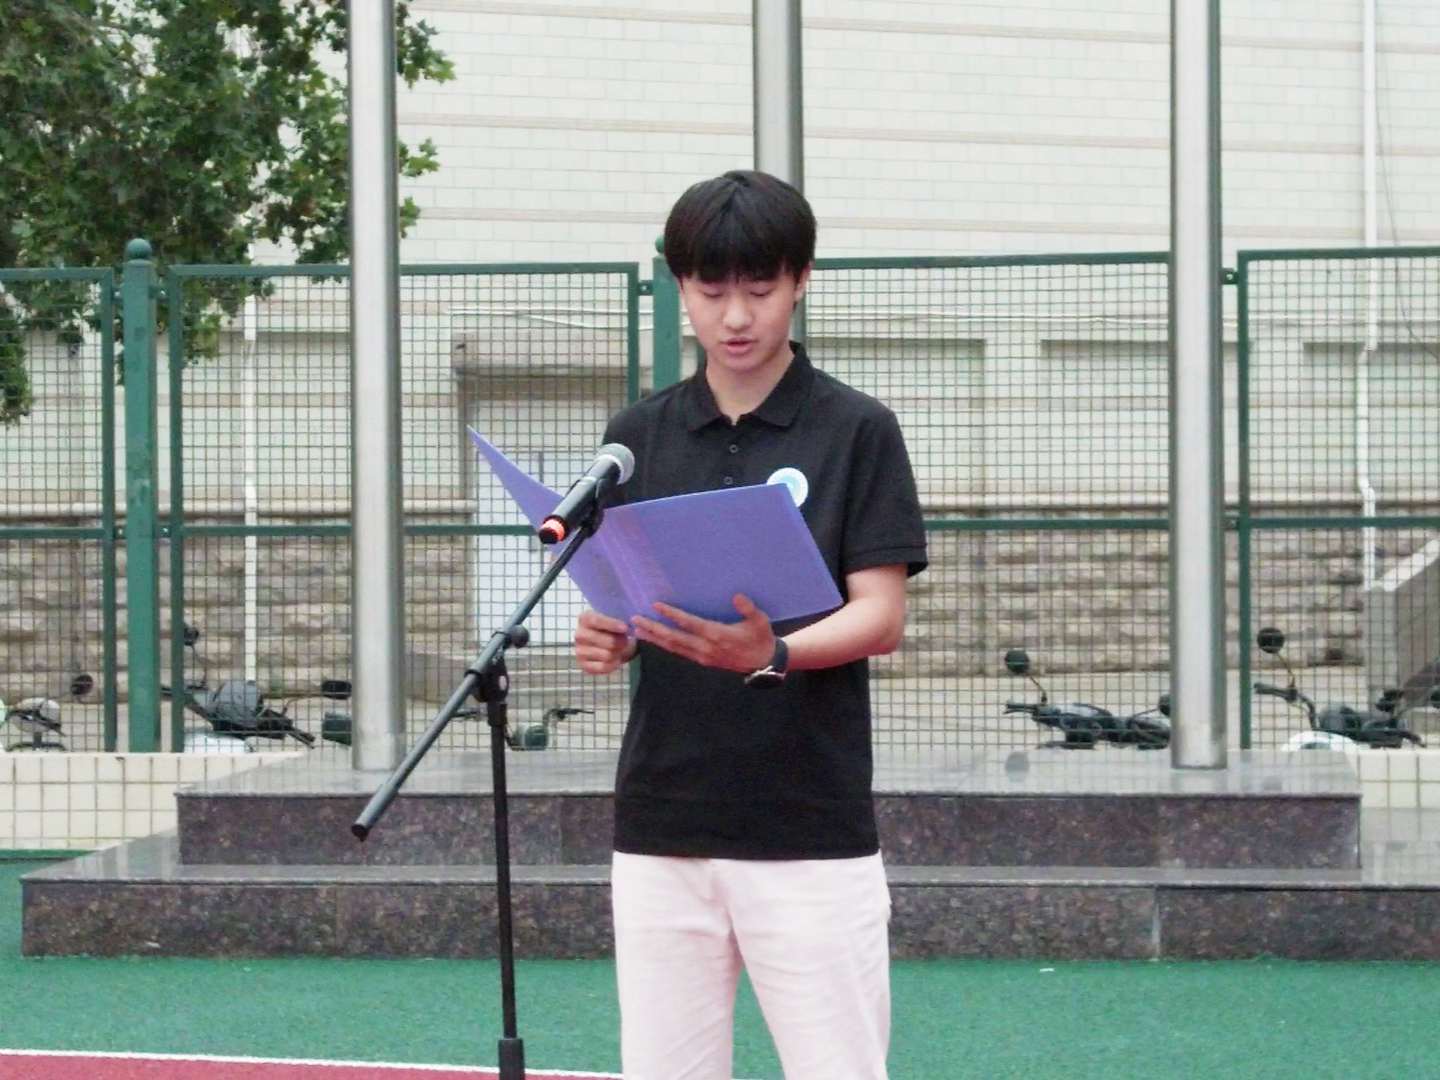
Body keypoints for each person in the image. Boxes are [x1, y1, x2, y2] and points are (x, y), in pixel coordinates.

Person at [572, 169, 927, 1080]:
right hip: (662, 820)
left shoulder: (856, 430)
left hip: (807, 823)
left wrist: (773, 653)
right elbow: (630, 594)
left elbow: (881, 613)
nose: (735, 316)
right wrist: (609, 631)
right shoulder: (636, 438)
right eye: (711, 289)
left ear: (800, 279)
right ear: (678, 285)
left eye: (760, 289)